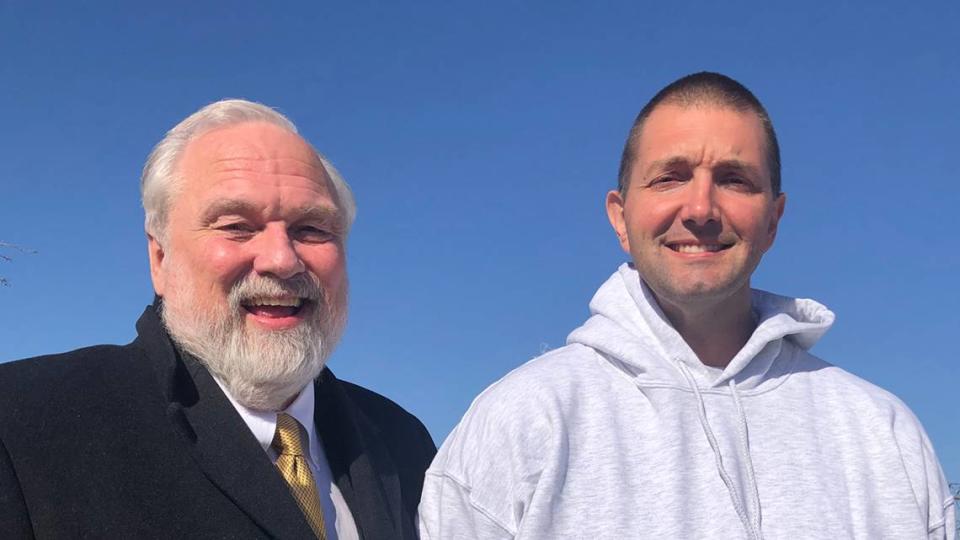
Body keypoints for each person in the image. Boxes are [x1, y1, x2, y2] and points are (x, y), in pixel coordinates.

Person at [418, 72, 955, 539]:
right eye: (669, 177)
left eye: (734, 179)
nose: (700, 208)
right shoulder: (519, 422)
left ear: (773, 219)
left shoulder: (882, 433)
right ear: (621, 217)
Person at [0, 99, 435, 539]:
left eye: (312, 229)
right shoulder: (23, 427)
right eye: (236, 226)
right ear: (160, 258)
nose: (282, 260)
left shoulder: (401, 442)